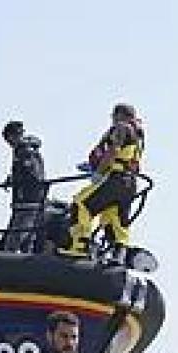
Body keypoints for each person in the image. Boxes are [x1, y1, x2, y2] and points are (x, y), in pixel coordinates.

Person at [63, 103, 145, 261]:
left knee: (80, 203)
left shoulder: (122, 127)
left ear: (119, 115)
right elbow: (127, 157)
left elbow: (113, 150)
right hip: (129, 183)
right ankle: (119, 253)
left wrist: (99, 172)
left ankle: (80, 245)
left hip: (115, 179)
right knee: (114, 217)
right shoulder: (138, 133)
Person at [0, 120, 47, 253]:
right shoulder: (27, 150)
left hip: (27, 201)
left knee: (15, 239)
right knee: (27, 237)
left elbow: (32, 174)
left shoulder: (24, 151)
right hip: (30, 200)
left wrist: (18, 182)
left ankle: (9, 264)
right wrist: (12, 178)